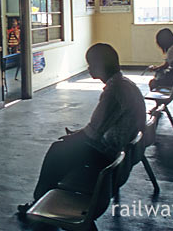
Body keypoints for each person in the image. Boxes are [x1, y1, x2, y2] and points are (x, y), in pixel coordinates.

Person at [17, 43, 146, 216]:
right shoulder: (125, 84)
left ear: (101, 66)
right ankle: (46, 197)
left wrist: (74, 138)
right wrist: (77, 136)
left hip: (109, 155)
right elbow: (98, 127)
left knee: (58, 150)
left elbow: (93, 132)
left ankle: (40, 201)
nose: (89, 67)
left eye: (91, 63)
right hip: (122, 153)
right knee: (66, 148)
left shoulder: (114, 91)